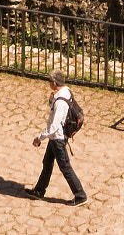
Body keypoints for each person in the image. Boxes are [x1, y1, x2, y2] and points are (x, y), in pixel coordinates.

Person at [28, 70, 85, 204]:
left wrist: (39, 138)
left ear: (54, 83)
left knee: (65, 167)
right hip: (56, 138)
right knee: (47, 163)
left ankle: (80, 195)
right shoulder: (66, 91)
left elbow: (53, 127)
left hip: (57, 138)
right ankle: (39, 191)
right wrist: (50, 101)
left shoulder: (60, 102)